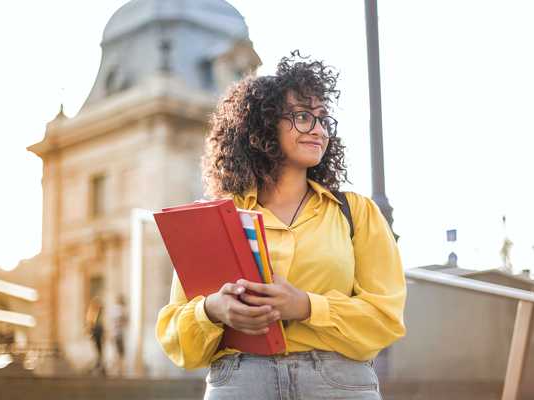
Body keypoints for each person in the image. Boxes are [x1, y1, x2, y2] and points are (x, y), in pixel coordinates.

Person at [156, 51, 406, 399]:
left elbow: (386, 317)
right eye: (303, 116)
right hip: (241, 381)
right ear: (263, 126)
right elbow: (177, 336)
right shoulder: (215, 219)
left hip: (338, 383)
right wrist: (213, 309)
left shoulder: (356, 213)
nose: (318, 129)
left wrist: (305, 305)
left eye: (323, 119)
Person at [85, 296, 105, 376]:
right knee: (98, 350)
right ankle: (99, 364)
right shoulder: (93, 312)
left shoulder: (95, 313)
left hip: (97, 332)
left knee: (99, 350)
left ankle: (99, 364)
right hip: (96, 332)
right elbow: (91, 323)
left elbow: (91, 323)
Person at [110, 295, 128, 376]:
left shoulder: (114, 310)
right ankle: (118, 369)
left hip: (115, 334)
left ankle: (118, 369)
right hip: (119, 334)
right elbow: (124, 321)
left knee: (117, 352)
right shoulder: (120, 310)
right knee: (120, 353)